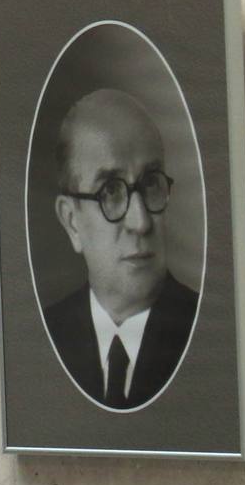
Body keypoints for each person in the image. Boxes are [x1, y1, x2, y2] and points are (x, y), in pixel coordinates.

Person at [43, 88, 199, 411]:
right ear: (72, 222)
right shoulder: (41, 341)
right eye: (110, 192)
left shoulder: (207, 334)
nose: (141, 222)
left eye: (151, 183)